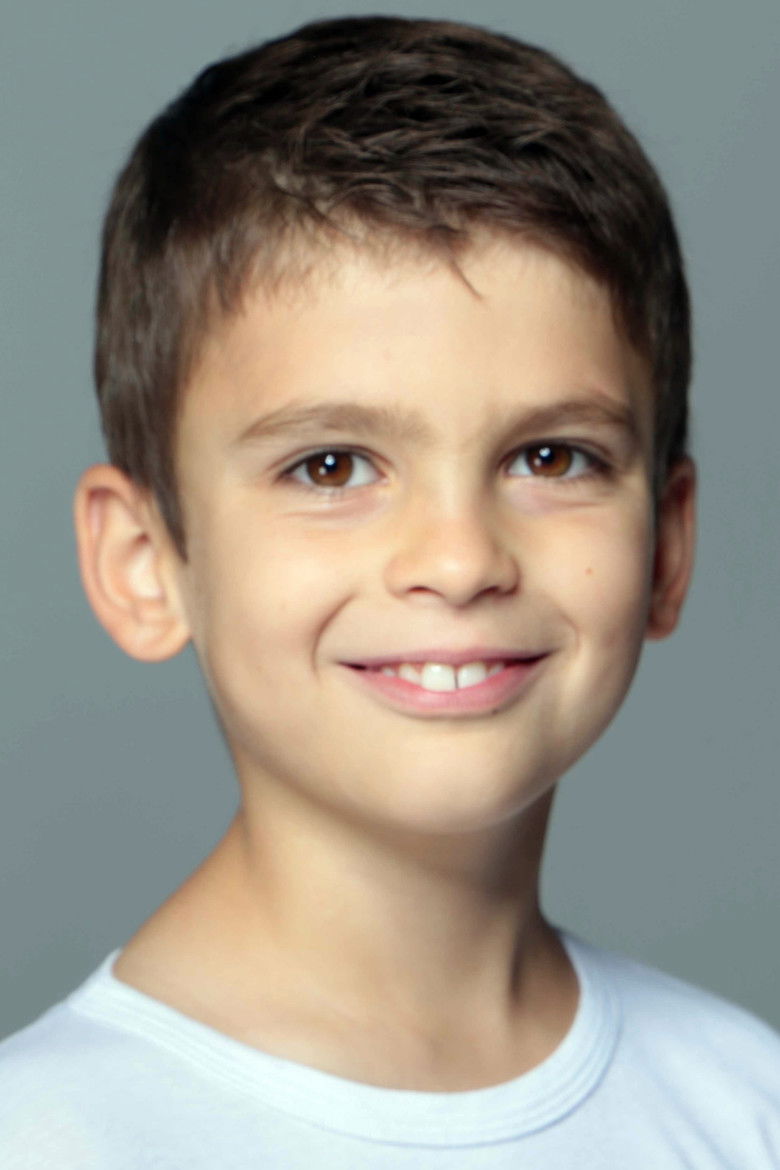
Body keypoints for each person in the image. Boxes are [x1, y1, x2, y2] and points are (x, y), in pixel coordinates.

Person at [1, 14, 778, 1167]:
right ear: (144, 562)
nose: (459, 561)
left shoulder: (747, 1106)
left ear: (665, 543)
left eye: (550, 457)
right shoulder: (48, 1137)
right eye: (331, 467)